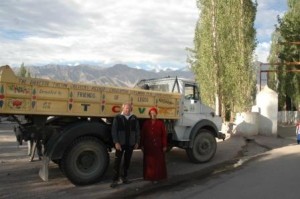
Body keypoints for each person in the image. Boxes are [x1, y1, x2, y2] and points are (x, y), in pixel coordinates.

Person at [110, 103, 140, 188]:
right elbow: (114, 131)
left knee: (127, 161)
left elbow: (137, 131)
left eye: (129, 108)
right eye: (126, 108)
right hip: (120, 144)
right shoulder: (118, 118)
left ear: (131, 109)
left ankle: (124, 177)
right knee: (117, 162)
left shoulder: (134, 118)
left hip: (130, 144)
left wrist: (137, 142)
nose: (127, 110)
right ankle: (115, 180)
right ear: (123, 109)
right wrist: (116, 142)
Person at [141, 107, 167, 184]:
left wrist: (164, 145)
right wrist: (141, 145)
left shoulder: (160, 123)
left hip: (158, 145)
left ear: (156, 114)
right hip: (148, 146)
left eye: (154, 113)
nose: (153, 115)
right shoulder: (146, 123)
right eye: (151, 113)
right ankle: (148, 176)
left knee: (158, 162)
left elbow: (164, 135)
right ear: (149, 114)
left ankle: (157, 177)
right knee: (149, 162)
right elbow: (143, 135)